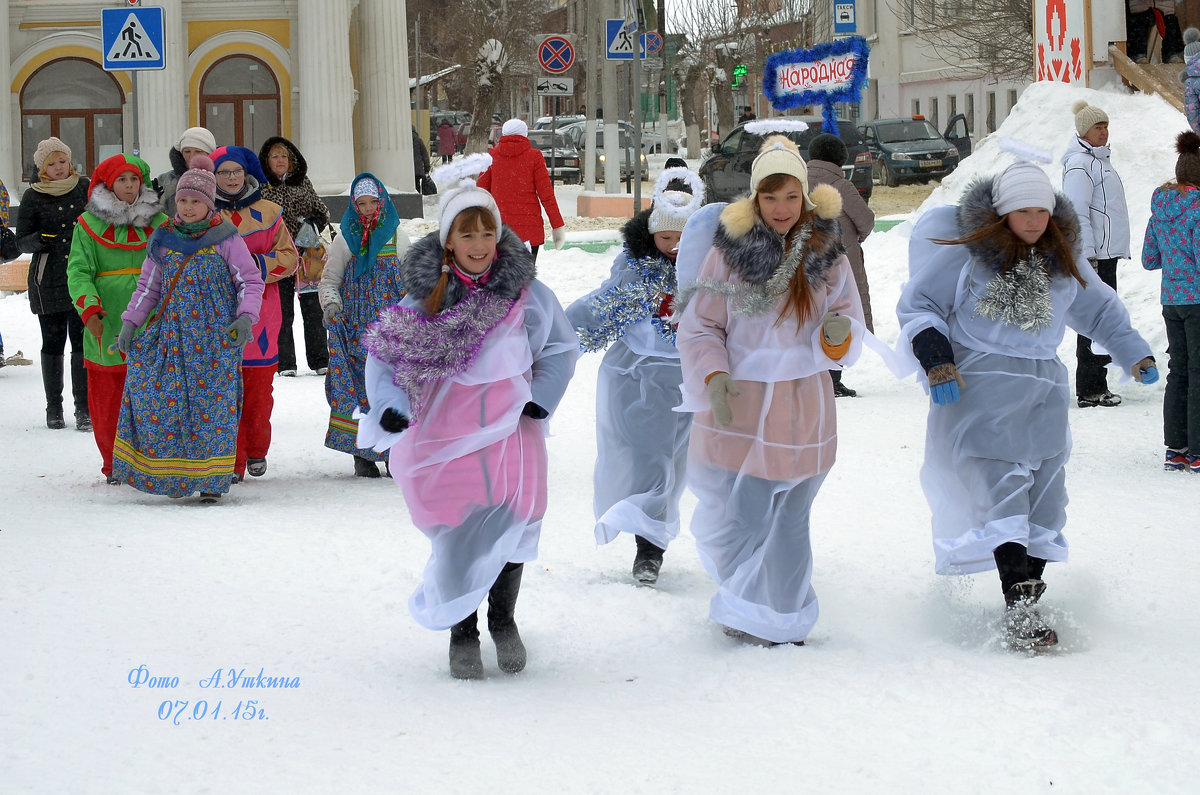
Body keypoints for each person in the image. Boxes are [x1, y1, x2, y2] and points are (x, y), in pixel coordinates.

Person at [897, 157, 1157, 650]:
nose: (1034, 221)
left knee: (1044, 495)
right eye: (1023, 211)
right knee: (1002, 489)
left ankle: (1026, 600)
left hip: (1043, 390)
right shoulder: (970, 253)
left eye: (1041, 210)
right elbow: (920, 303)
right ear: (1002, 213)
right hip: (979, 385)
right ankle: (1019, 606)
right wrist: (936, 359)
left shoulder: (1062, 259)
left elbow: (1097, 307)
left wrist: (1133, 350)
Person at [356, 154, 578, 679]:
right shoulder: (423, 302)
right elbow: (387, 361)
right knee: (458, 529)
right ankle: (463, 630)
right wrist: (391, 408)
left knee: (512, 524)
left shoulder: (526, 297)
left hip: (511, 435)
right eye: (467, 234)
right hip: (446, 435)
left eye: (487, 234)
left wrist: (539, 395)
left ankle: (503, 620)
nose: (478, 245)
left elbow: (560, 348)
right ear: (448, 242)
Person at [675, 136, 866, 647]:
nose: (781, 209)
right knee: (745, 512)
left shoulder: (827, 253)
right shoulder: (728, 254)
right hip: (742, 401)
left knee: (792, 515)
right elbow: (700, 326)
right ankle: (744, 597)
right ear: (754, 199)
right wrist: (713, 375)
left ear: (805, 198)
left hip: (803, 403)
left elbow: (847, 315)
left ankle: (781, 613)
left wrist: (838, 334)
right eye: (770, 197)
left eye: (790, 197)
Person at [566, 167, 704, 585]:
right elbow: (606, 303)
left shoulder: (707, 268)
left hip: (688, 378)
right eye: (667, 238)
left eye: (684, 238)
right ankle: (647, 542)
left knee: (673, 463)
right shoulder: (634, 266)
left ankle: (653, 543)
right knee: (645, 458)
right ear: (652, 234)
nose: (675, 247)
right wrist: (558, 328)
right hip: (636, 375)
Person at [111, 156, 265, 501]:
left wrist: (245, 317)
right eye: (183, 200)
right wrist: (131, 322)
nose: (188, 207)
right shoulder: (164, 239)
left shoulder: (226, 237)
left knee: (212, 411)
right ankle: (175, 477)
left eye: (196, 200)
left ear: (209, 202)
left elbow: (249, 282)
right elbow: (148, 288)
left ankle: (211, 482)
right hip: (173, 338)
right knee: (170, 406)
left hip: (215, 340)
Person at [66, 154, 168, 483]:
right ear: (109, 185)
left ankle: (151, 458)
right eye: (122, 180)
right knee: (108, 397)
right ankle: (114, 463)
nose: (128, 186)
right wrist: (90, 309)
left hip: (152, 316)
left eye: (133, 179)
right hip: (107, 319)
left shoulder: (161, 223)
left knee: (151, 394)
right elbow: (79, 272)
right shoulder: (87, 225)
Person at [212, 145, 299, 483]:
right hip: (218, 312)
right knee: (223, 389)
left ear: (246, 174)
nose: (231, 178)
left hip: (263, 311)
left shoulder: (270, 212)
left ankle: (257, 447)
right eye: (223, 172)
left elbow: (289, 258)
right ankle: (231, 459)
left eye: (235, 172)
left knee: (259, 388)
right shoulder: (204, 213)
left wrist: (252, 267)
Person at [318, 174, 410, 477]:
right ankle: (363, 452)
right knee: (362, 388)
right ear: (353, 205)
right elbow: (330, 279)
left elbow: (412, 280)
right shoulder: (345, 238)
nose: (368, 208)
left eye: (373, 202)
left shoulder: (397, 236)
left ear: (382, 202)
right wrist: (332, 305)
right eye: (362, 203)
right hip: (358, 329)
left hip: (393, 330)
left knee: (394, 388)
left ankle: (395, 450)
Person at [15, 137, 91, 430]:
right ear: (42, 168)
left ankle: (83, 408)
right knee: (53, 344)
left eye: (63, 162)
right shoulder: (33, 196)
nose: (59, 168)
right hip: (48, 279)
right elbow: (22, 240)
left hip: (81, 275)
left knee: (82, 344)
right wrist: (40, 240)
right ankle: (54, 408)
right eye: (52, 164)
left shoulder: (84, 187)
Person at [1062, 100, 1131, 408]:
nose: (1104, 132)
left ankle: (1095, 383)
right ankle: (1090, 388)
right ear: (1084, 131)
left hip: (1106, 254)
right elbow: (1076, 213)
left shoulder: (1099, 160)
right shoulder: (1080, 163)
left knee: (1102, 319)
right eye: (1098, 127)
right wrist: (1086, 255)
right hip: (1095, 257)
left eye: (1106, 126)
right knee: (1095, 319)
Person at [1142, 131, 1200, 474]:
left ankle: (1176, 448)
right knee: (1198, 371)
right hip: (1197, 300)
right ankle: (1197, 449)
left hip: (1171, 300)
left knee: (1179, 370)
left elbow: (1150, 258)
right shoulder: (1198, 210)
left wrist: (1174, 258)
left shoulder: (1161, 209)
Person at [807, 132, 876, 398]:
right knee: (839, 315)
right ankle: (833, 378)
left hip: (804, 261)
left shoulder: (797, 182)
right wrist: (854, 239)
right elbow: (866, 221)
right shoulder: (841, 186)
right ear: (840, 158)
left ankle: (813, 374)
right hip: (839, 261)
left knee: (810, 315)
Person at [258, 136, 331, 378]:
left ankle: (320, 359)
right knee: (282, 310)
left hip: (308, 257)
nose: (280, 160)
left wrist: (312, 225)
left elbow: (322, 212)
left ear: (292, 161)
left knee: (313, 310)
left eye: (284, 156)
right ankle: (285, 362)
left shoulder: (303, 183)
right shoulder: (261, 187)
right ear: (266, 161)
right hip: (278, 256)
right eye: (275, 156)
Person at [477, 119, 566, 262]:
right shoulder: (534, 157)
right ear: (524, 134)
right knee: (525, 279)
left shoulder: (492, 157)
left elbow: (480, 194)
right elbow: (546, 195)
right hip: (529, 232)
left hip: (499, 231)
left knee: (500, 278)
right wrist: (557, 226)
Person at [153, 126, 217, 218]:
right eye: (187, 151)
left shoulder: (222, 177)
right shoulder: (167, 181)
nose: (192, 156)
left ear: (210, 153)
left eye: (198, 151)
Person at [411, 125, 432, 192]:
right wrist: (427, 168)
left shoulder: (404, 141)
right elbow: (425, 155)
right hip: (418, 169)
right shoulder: (418, 140)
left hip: (407, 170)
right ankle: (417, 198)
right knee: (417, 186)